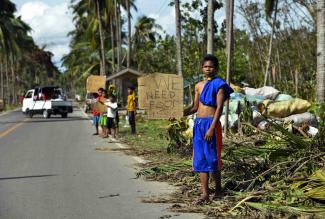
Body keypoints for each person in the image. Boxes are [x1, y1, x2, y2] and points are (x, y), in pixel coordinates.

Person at [184, 54, 233, 204]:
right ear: (202, 68)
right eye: (205, 66)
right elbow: (194, 107)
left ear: (216, 68)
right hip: (198, 124)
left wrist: (212, 127)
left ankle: (218, 190)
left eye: (210, 66)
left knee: (213, 158)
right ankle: (205, 193)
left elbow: (219, 108)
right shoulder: (198, 86)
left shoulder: (219, 85)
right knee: (200, 159)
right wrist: (180, 113)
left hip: (211, 124)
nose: (208, 69)